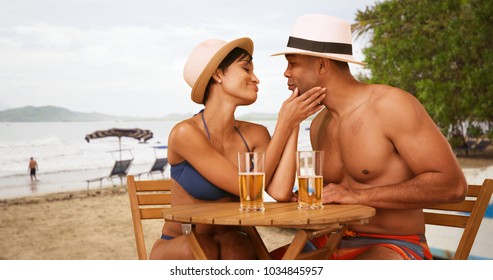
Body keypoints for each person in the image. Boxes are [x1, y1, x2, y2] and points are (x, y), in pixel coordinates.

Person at [272, 14, 468, 260]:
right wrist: (313, 199)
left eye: (293, 63)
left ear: (322, 65)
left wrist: (358, 196)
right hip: (330, 241)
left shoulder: (391, 105)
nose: (286, 73)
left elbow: (453, 185)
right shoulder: (319, 123)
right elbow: (338, 195)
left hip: (393, 244)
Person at [149, 37, 326, 259]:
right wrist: (282, 125)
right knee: (205, 249)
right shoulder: (185, 133)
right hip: (180, 245)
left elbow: (279, 192)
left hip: (232, 240)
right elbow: (246, 189)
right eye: (246, 68)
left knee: (238, 246)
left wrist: (293, 123)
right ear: (218, 74)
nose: (256, 79)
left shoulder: (255, 134)